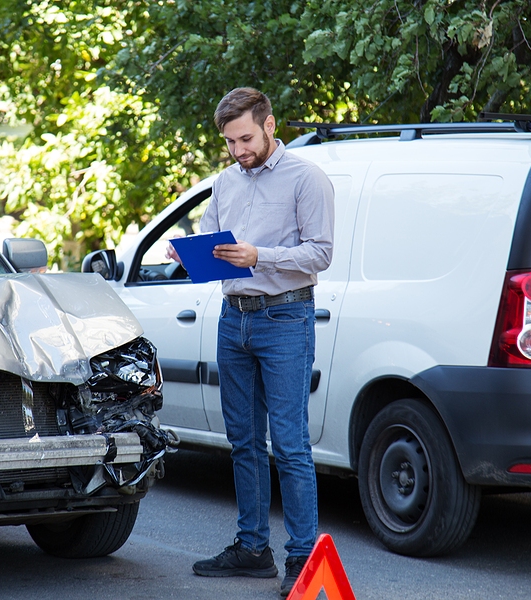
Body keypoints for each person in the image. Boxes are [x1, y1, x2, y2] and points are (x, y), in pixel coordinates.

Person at [189, 87, 335, 597]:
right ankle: (253, 549)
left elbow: (320, 254)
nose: (237, 150)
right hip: (234, 319)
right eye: (229, 142)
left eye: (245, 138)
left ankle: (302, 559)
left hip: (286, 319)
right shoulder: (224, 182)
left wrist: (260, 255)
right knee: (244, 442)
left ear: (270, 124)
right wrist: (193, 256)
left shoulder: (307, 178)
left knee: (290, 444)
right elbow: (212, 243)